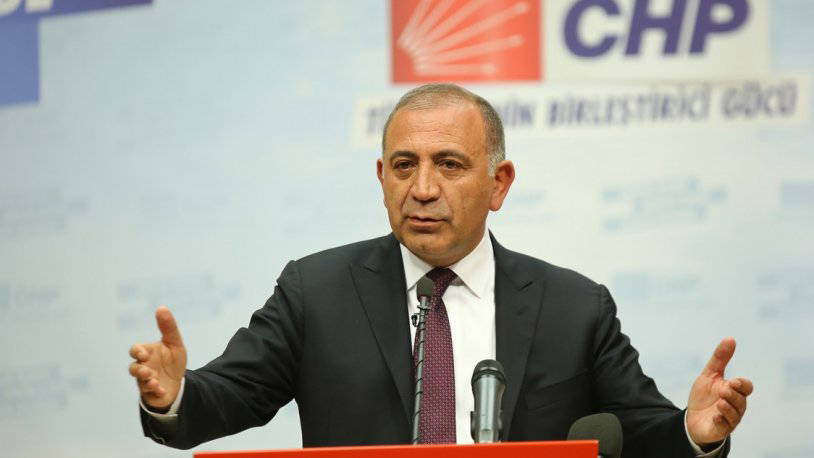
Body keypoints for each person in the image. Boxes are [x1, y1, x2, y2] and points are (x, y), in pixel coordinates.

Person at [128, 83, 753, 457]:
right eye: (404, 165)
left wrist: (694, 432)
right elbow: (227, 398)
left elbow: (642, 434)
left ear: (499, 183)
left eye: (449, 165)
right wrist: (175, 395)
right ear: (382, 178)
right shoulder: (314, 292)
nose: (422, 188)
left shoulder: (574, 307)